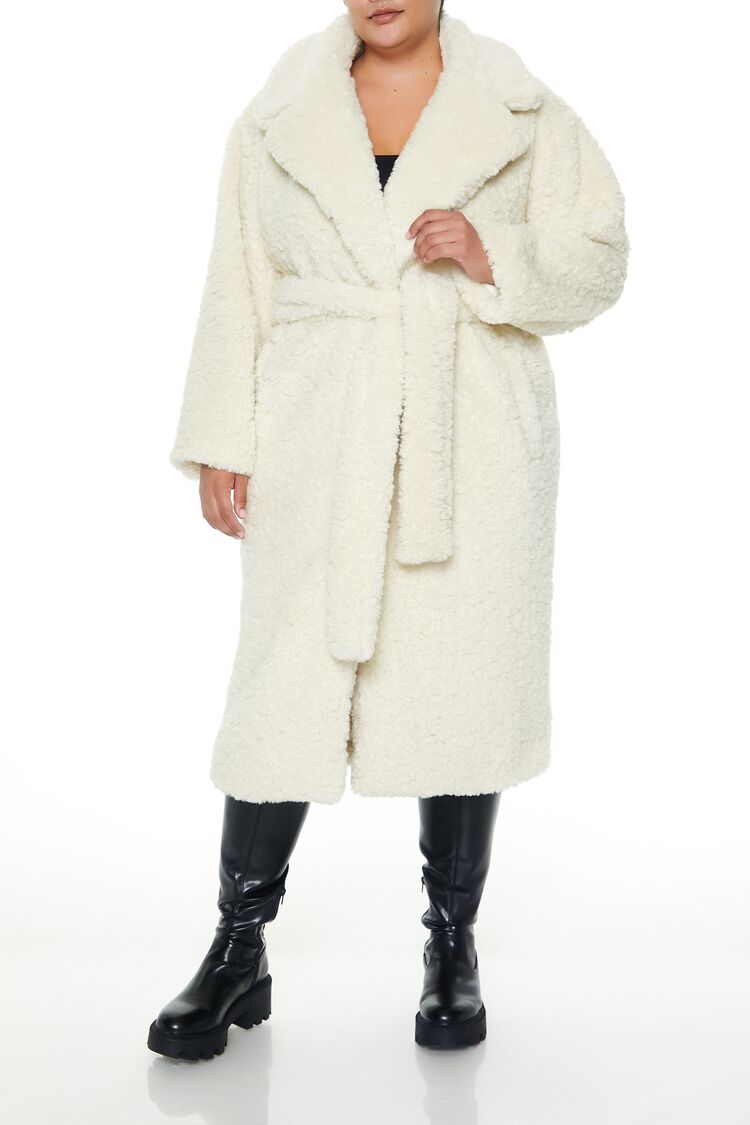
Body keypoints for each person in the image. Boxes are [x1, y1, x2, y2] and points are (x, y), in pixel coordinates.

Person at [148, 0, 629, 1058]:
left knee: (461, 682)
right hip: (318, 423)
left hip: (472, 435)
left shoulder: (520, 108)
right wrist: (224, 435)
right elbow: (237, 281)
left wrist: (494, 252)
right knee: (282, 686)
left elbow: (601, 256)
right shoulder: (279, 112)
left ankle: (451, 947)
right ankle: (237, 949)